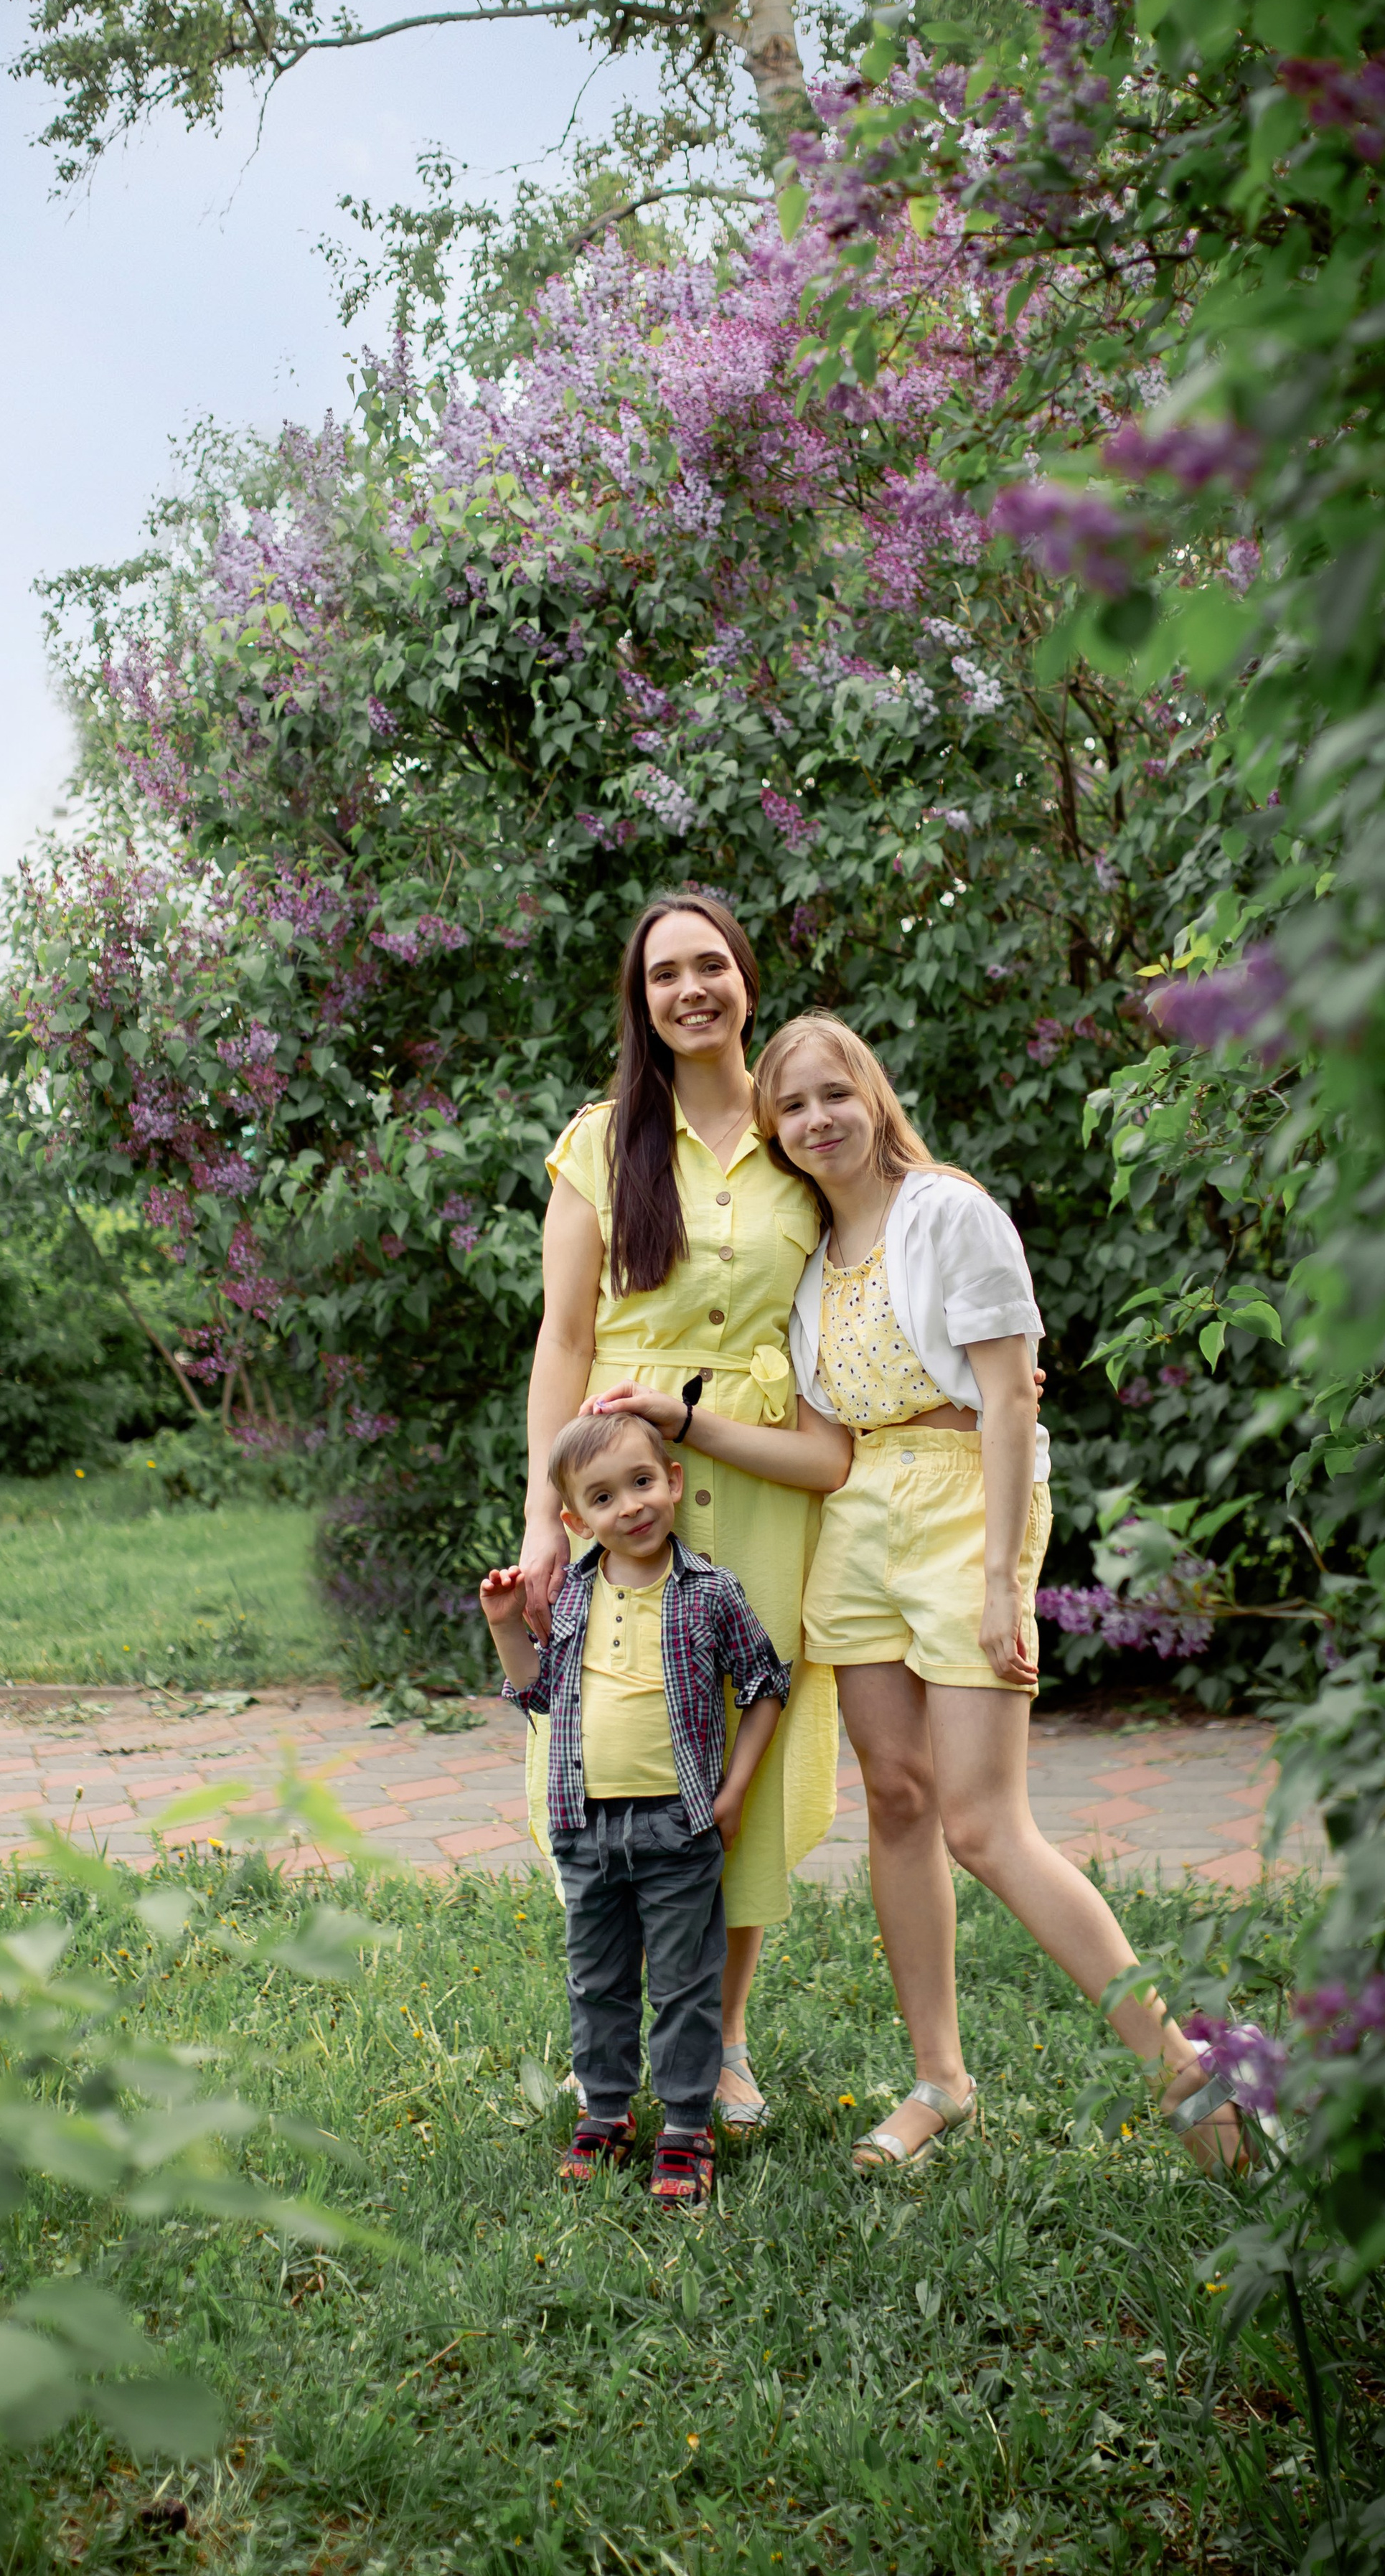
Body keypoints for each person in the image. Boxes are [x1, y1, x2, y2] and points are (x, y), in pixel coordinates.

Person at [749, 1011, 1244, 2173]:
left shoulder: (952, 1212)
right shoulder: (813, 1265)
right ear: (774, 1130)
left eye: (836, 1092)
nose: (818, 1117)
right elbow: (826, 1443)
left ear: (873, 1097)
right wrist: (673, 1422)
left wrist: (1000, 1581)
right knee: (901, 1799)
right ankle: (940, 2080)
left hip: (966, 1497)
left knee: (983, 1821)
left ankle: (1186, 2071)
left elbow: (1012, 1400)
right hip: (860, 1515)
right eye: (794, 1105)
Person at [518, 894, 852, 2133]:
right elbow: (561, 1335)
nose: (691, 987)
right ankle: (616, 2028)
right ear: (642, 998)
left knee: (738, 1744)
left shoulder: (799, 1124)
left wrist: (992, 1353)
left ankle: (722, 2039)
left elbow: (893, 1243)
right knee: (618, 1731)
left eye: (711, 963)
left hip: (757, 1472)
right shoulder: (604, 1139)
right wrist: (545, 1519)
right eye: (666, 972)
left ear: (747, 979)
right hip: (620, 1476)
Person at [482, 1411, 792, 2207]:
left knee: (687, 1983)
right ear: (575, 1519)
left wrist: (733, 1793)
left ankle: (687, 2124)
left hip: (677, 1823)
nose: (630, 1506)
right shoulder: (574, 1595)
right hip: (585, 1825)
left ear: (674, 1482)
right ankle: (607, 2109)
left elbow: (764, 1688)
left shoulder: (711, 1592)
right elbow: (541, 1695)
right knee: (599, 1979)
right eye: (604, 1496)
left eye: (642, 1482)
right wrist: (504, 1628)